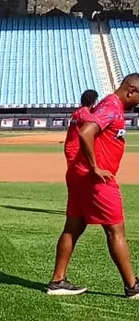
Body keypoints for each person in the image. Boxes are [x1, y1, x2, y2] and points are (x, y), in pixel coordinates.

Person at [47, 75, 139, 297]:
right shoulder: (112, 106)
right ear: (131, 91)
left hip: (80, 176)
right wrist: (96, 167)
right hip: (96, 180)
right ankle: (132, 286)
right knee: (115, 230)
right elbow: (86, 131)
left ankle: (57, 281)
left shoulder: (110, 105)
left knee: (73, 227)